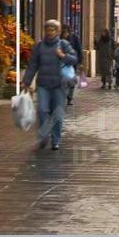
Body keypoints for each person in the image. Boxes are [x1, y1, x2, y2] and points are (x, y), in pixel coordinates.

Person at [21, 19, 78, 151]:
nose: (50, 32)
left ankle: (55, 140)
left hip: (59, 85)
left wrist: (62, 55)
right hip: (43, 84)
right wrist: (26, 81)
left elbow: (74, 59)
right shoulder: (39, 46)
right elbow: (32, 65)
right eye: (47, 29)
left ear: (57, 31)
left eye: (53, 30)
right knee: (42, 110)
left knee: (57, 113)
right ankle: (43, 136)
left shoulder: (63, 44)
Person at [61, 24, 83, 105]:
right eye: (64, 32)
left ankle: (69, 97)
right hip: (61, 63)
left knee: (71, 79)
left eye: (67, 32)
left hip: (72, 62)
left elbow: (79, 50)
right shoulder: (59, 39)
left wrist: (80, 62)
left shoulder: (74, 37)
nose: (65, 34)